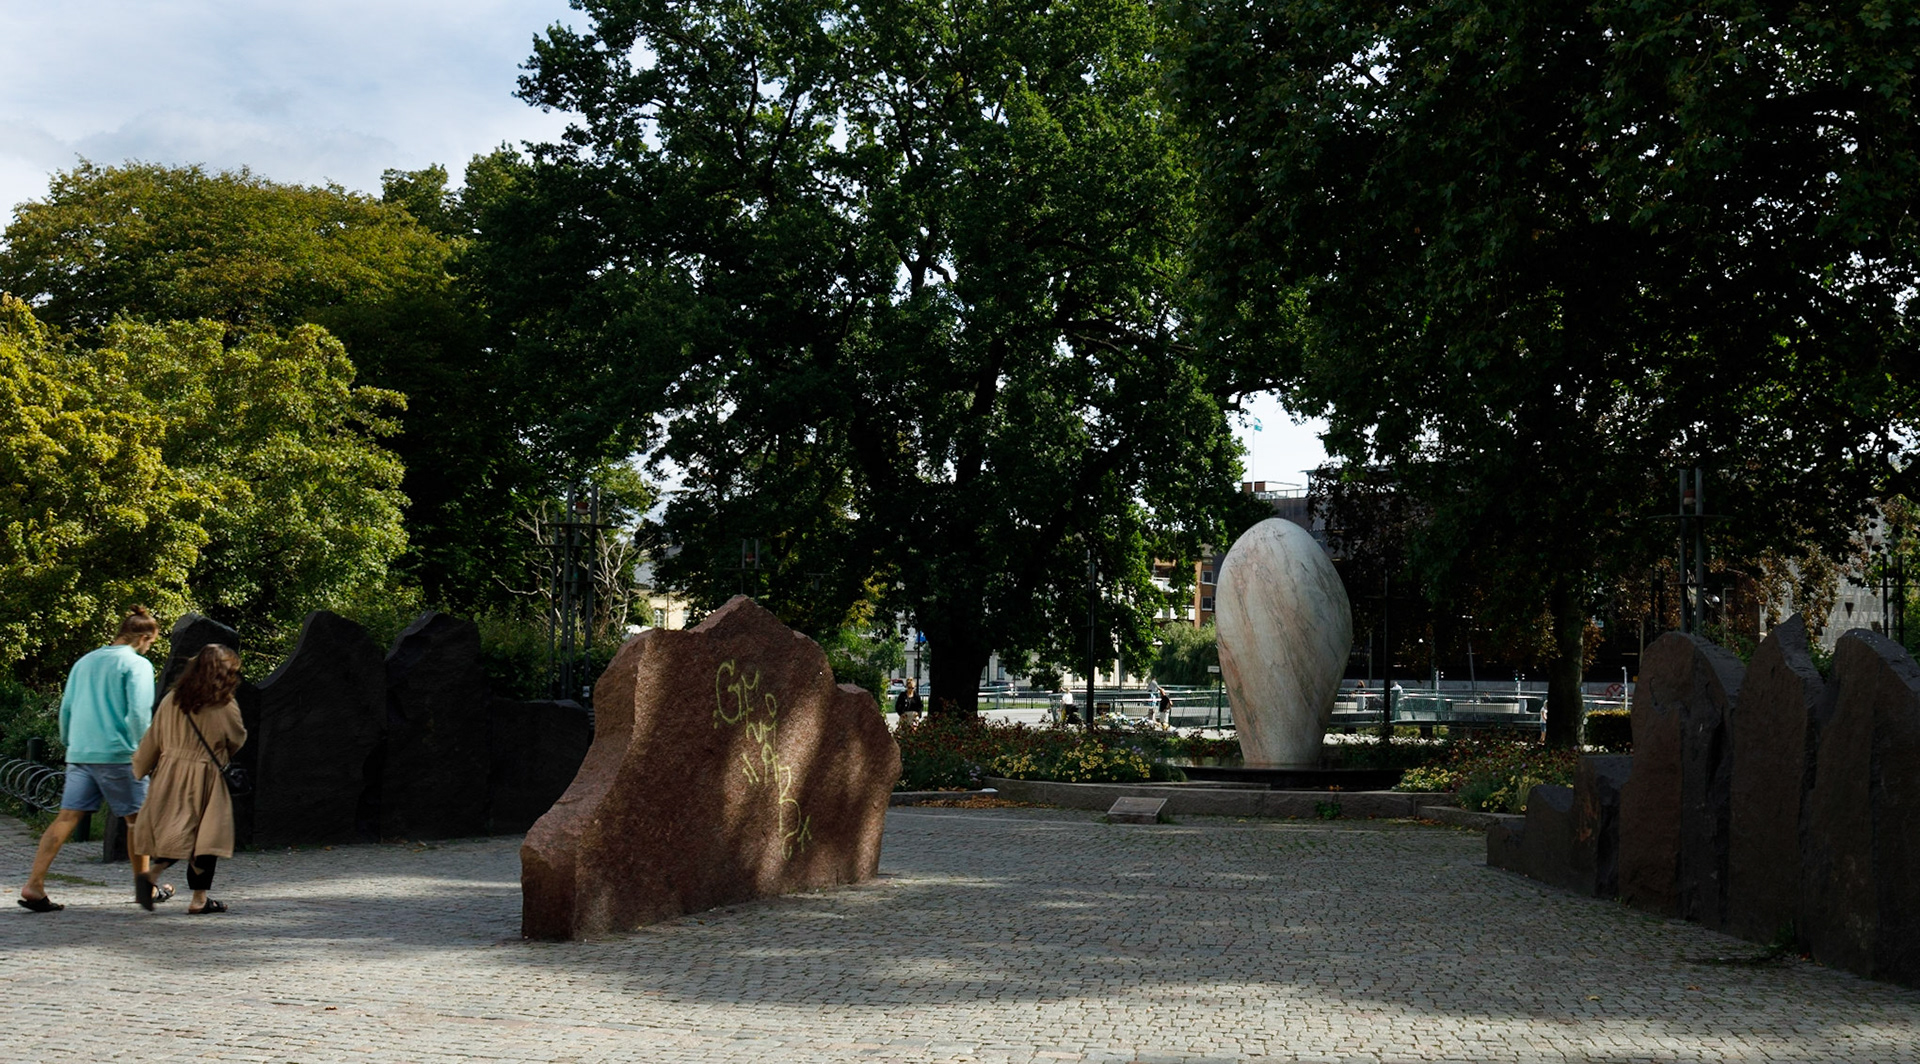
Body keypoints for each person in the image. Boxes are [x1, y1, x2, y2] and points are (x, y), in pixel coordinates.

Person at [19, 608, 170, 912]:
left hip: (80, 752)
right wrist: (145, 751)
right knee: (136, 823)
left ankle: (34, 885)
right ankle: (144, 891)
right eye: (150, 643)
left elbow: (67, 708)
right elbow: (139, 714)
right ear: (143, 637)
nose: (148, 648)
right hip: (118, 755)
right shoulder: (136, 665)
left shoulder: (84, 662)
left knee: (66, 818)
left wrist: (70, 743)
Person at [133, 644, 247, 915]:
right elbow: (236, 738)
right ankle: (198, 898)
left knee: (177, 830)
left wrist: (141, 767)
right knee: (206, 836)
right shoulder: (224, 704)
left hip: (168, 773)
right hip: (204, 775)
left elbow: (154, 738)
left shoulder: (172, 699)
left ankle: (151, 876)